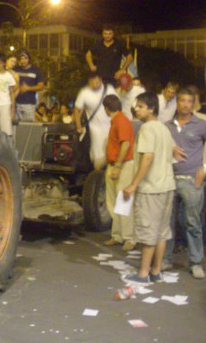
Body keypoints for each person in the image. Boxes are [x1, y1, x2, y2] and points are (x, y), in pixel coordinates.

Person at [163, 88, 206, 279]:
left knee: (193, 223)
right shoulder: (167, 125)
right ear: (177, 103)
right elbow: (157, 146)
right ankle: (165, 259)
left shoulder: (202, 125)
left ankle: (196, 262)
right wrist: (169, 147)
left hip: (191, 180)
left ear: (193, 103)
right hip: (169, 179)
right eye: (182, 101)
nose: (186, 105)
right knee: (168, 223)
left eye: (190, 101)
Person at [122, 92, 176, 286]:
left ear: (152, 108)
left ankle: (143, 273)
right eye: (137, 106)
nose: (137, 109)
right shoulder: (164, 129)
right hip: (168, 186)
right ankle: (156, 270)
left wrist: (133, 184)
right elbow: (172, 152)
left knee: (149, 232)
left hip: (151, 187)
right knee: (162, 231)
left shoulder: (147, 129)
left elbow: (147, 157)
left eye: (141, 106)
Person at [102, 94, 136, 251]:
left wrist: (117, 166)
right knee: (116, 201)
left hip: (121, 165)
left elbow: (125, 144)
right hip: (116, 164)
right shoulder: (118, 120)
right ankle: (118, 235)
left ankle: (129, 237)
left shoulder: (121, 121)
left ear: (106, 108)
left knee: (123, 201)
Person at [74, 72, 117, 170]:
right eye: (92, 83)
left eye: (97, 82)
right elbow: (77, 109)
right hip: (95, 129)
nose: (94, 85)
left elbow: (117, 106)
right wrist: (78, 126)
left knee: (112, 155)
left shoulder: (109, 89)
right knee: (98, 159)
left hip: (110, 127)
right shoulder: (84, 92)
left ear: (101, 80)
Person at [15, 50, 44, 121]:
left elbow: (41, 86)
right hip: (15, 103)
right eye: (21, 58)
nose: (23, 60)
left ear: (29, 59)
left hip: (29, 104)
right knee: (15, 128)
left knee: (27, 127)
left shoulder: (36, 70)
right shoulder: (15, 69)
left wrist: (28, 88)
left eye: (26, 58)